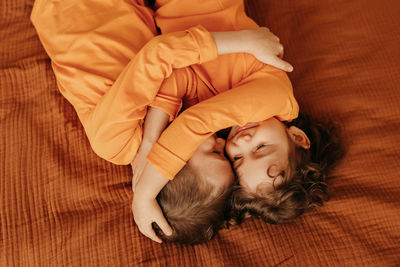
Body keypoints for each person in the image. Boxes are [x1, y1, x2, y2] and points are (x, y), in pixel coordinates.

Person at [31, 0, 294, 244]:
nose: (224, 140)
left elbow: (165, 64)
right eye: (228, 156)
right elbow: (173, 74)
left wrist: (145, 183)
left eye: (219, 153)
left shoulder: (115, 143)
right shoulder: (166, 119)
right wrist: (149, 154)